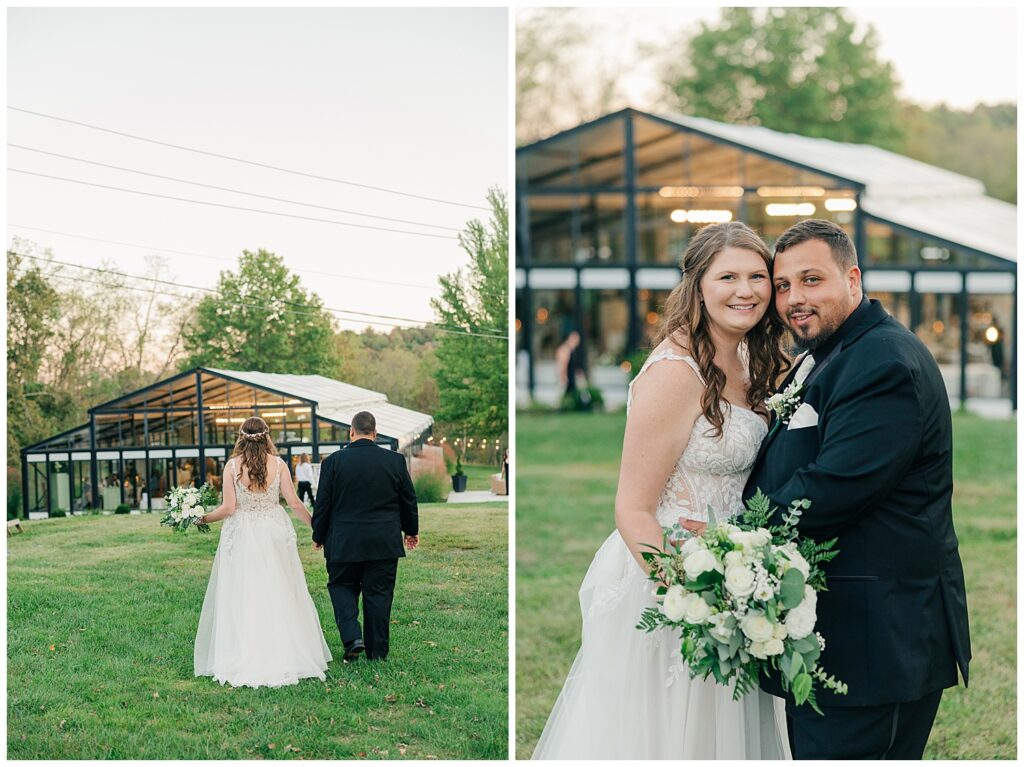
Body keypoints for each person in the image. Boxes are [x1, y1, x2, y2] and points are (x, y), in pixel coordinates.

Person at [532, 221, 792, 759]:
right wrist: (692, 596)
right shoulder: (676, 372)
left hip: (735, 573)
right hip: (672, 578)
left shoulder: (750, 358)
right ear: (698, 285)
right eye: (728, 277)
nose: (745, 290)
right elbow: (633, 508)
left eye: (757, 277)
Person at [739, 219, 971, 759]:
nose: (795, 298)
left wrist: (732, 534)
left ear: (853, 278)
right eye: (783, 285)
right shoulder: (826, 354)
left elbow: (832, 487)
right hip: (844, 634)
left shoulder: (882, 361)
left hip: (879, 640)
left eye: (811, 280)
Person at [194, 416, 332, 688]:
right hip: (272, 529)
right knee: (280, 586)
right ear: (268, 436)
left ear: (240, 437)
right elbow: (294, 502)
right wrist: (318, 529)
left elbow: (229, 508)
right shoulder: (279, 464)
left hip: (244, 531)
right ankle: (284, 649)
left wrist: (203, 518)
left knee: (245, 589)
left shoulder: (232, 466)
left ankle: (246, 648)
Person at [312, 411, 419, 662]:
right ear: (375, 432)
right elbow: (408, 499)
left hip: (343, 542)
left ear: (351, 432)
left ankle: (352, 639)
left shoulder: (333, 462)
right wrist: (411, 530)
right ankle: (377, 652)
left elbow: (323, 504)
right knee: (379, 594)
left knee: (341, 587)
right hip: (383, 542)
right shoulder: (395, 461)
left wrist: (318, 534)